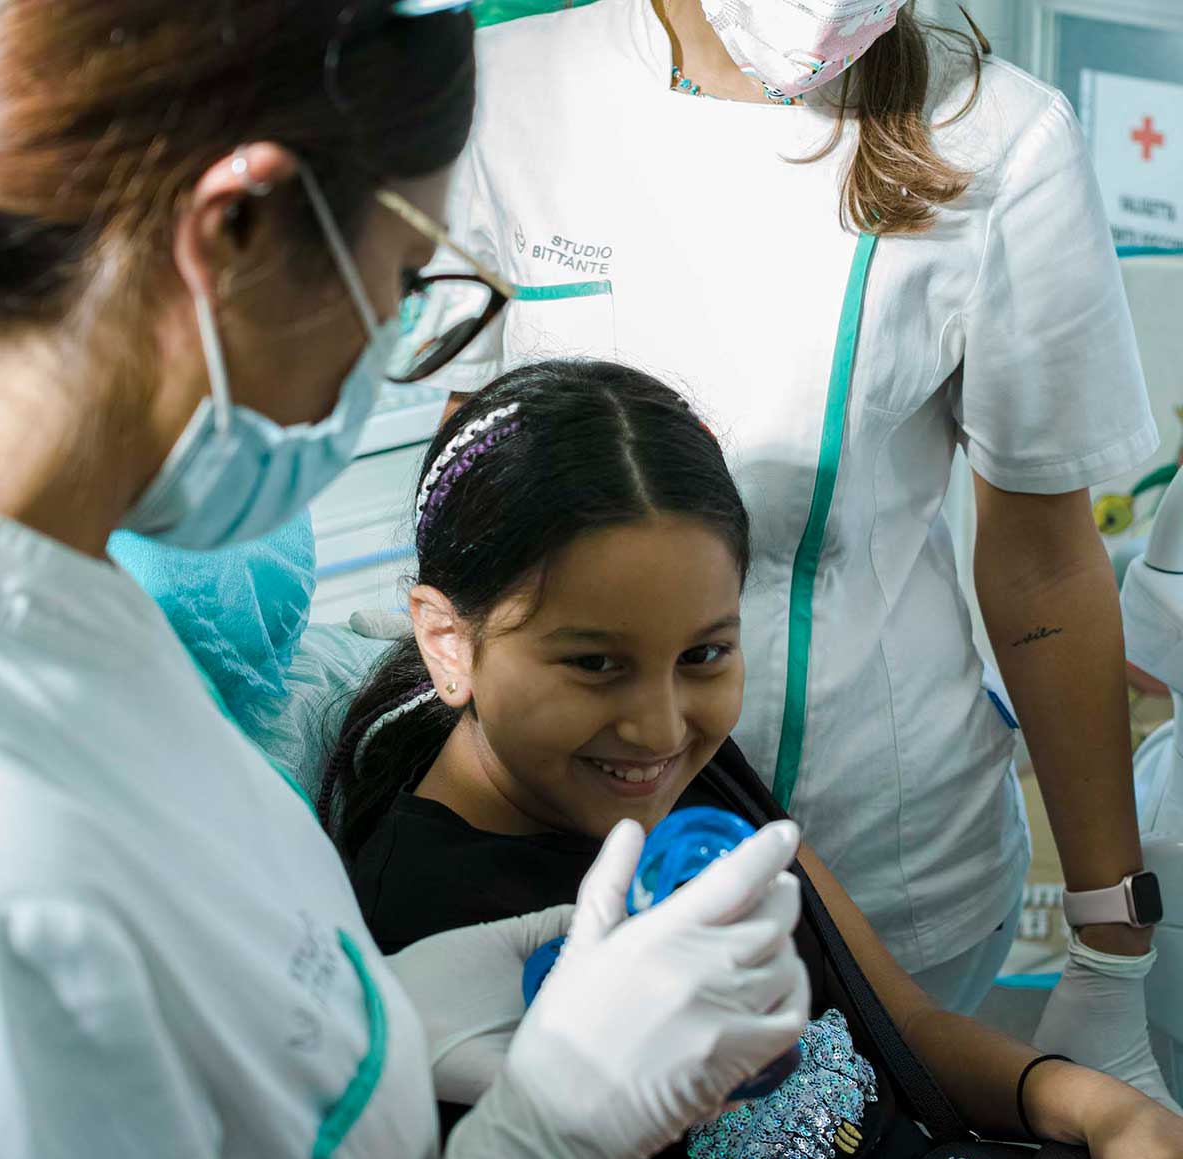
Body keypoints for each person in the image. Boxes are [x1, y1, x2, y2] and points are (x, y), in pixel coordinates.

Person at [0, 5, 810, 1159]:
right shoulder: (18, 861)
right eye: (405, 281)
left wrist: (385, 1021)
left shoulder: (75, 598)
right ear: (241, 225)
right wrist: (544, 1143)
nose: (394, 341)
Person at [419, 0, 1173, 1100]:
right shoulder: (504, 93)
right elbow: (468, 482)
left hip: (884, 859)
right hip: (559, 845)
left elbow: (1045, 569)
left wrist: (1111, 943)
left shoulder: (998, 137)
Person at [318, 358, 1183, 1159]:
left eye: (704, 653)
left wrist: (1086, 1100)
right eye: (593, 664)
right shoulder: (421, 925)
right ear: (446, 642)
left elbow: (905, 1025)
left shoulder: (685, 775)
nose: (659, 726)